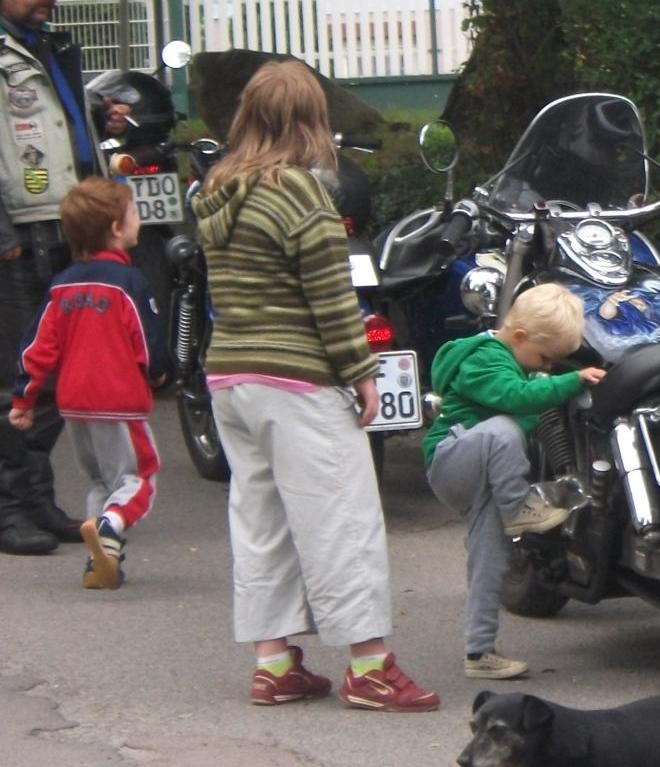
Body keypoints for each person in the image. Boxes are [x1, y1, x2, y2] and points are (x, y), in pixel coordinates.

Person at [194, 57, 439, 712]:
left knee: (262, 519)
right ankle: (370, 667)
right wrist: (361, 373)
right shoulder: (302, 194)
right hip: (295, 378)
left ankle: (274, 664)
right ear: (312, 120)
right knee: (343, 518)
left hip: (231, 378)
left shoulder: (218, 189)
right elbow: (331, 299)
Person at [422, 282, 604, 681]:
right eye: (544, 357)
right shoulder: (483, 358)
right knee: (503, 430)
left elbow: (532, 386)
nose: (546, 367)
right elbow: (515, 396)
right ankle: (519, 509)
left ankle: (479, 651)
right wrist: (573, 381)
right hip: (451, 460)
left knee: (491, 558)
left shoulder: (516, 355)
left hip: (483, 474)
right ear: (519, 336)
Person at [0, 0, 114, 556]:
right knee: (16, 378)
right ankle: (9, 509)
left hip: (59, 226)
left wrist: (95, 118)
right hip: (18, 234)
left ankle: (35, 501)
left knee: (48, 376)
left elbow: (45, 131)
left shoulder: (42, 46)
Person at [9, 177, 165, 590]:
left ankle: (100, 561)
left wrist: (24, 398)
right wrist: (159, 372)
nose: (138, 219)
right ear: (116, 228)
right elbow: (146, 339)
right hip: (120, 399)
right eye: (134, 213)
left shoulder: (62, 284)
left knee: (100, 480)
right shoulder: (128, 282)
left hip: (74, 402)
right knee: (139, 478)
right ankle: (111, 525)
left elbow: (37, 345)